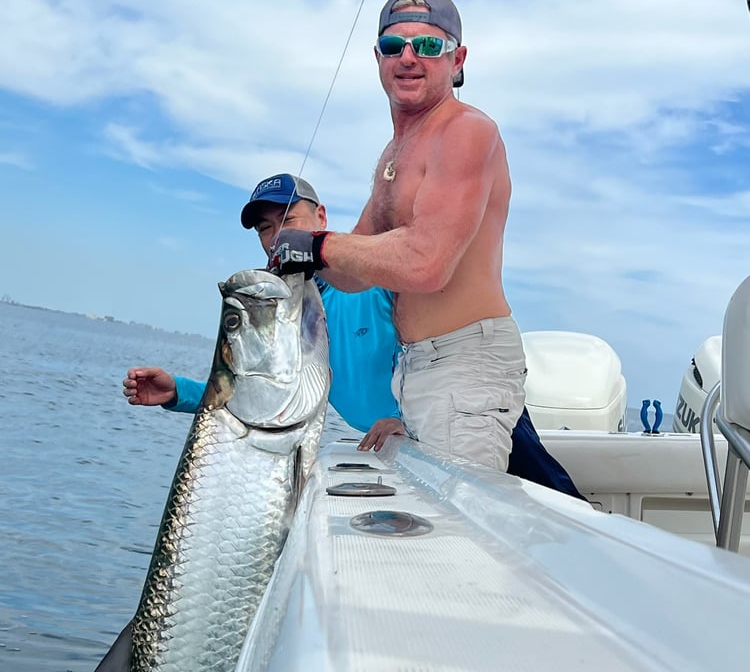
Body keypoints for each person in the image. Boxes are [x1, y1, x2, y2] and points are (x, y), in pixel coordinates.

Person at [125, 172, 583, 497]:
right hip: (401, 454)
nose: (274, 237)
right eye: (265, 228)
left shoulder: (368, 276)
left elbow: (440, 353)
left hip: (458, 422)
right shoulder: (281, 311)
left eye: (288, 220)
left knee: (554, 513)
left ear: (321, 216)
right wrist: (176, 394)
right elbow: (257, 393)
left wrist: (411, 422)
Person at [268, 0, 525, 474]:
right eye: (394, 46)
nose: (408, 58)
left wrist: (317, 245)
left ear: (458, 59)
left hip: (465, 360)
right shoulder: (394, 155)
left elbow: (426, 264)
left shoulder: (467, 131)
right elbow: (355, 271)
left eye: (428, 46)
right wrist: (296, 268)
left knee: (459, 536)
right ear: (378, 58)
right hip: (417, 369)